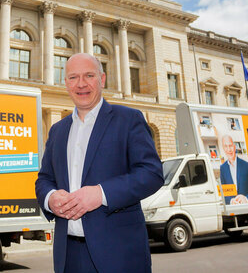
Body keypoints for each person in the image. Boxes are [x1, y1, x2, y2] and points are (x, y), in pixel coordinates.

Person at [35, 53, 164, 273]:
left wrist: (101, 194)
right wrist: (50, 198)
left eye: (89, 75)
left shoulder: (129, 119)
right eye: (73, 77)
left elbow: (152, 173)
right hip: (68, 257)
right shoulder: (58, 130)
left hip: (119, 255)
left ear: (102, 79)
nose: (81, 84)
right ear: (66, 83)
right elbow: (44, 179)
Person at [219, 134, 248, 205]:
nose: (229, 149)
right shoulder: (223, 168)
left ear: (234, 147)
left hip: (246, 211)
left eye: (230, 146)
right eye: (226, 146)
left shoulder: (246, 165)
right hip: (232, 212)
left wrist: (246, 199)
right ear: (223, 149)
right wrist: (231, 201)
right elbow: (223, 193)